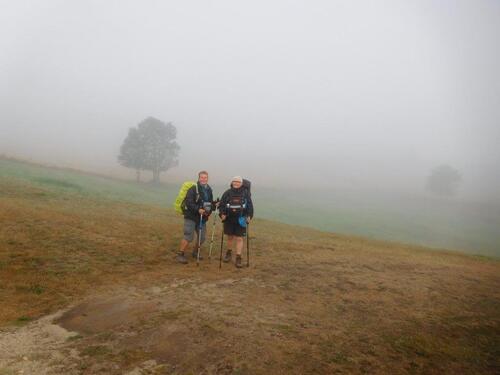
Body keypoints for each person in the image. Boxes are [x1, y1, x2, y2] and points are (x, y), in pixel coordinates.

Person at [176, 171, 215, 264]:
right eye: (202, 177)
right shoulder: (193, 189)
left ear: (207, 178)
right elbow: (189, 203)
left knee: (202, 237)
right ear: (199, 178)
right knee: (189, 236)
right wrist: (198, 209)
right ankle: (180, 254)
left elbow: (209, 203)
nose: (204, 179)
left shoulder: (209, 189)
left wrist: (213, 206)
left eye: (205, 177)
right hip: (191, 216)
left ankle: (195, 252)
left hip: (202, 217)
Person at [219, 176, 254, 268]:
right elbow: (222, 205)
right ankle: (229, 253)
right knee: (230, 237)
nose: (236, 183)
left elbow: (250, 206)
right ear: (232, 182)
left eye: (238, 182)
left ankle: (238, 257)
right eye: (235, 181)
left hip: (241, 219)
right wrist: (222, 214)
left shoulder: (246, 193)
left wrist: (249, 216)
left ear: (241, 183)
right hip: (229, 219)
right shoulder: (227, 193)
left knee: (239, 238)